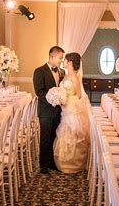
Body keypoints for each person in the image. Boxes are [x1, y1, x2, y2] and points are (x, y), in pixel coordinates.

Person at [53, 52, 90, 173]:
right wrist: (59, 97)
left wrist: (66, 100)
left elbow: (79, 95)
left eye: (65, 60)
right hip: (65, 108)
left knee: (72, 134)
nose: (63, 61)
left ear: (69, 63)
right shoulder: (64, 75)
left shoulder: (74, 77)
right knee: (64, 134)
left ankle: (73, 163)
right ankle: (64, 163)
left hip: (71, 109)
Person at [33, 46, 65, 174]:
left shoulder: (61, 72)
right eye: (60, 58)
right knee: (45, 138)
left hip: (57, 111)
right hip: (46, 111)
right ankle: (43, 165)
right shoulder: (39, 71)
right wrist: (52, 98)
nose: (61, 61)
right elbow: (39, 92)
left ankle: (52, 162)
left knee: (54, 137)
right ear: (52, 57)